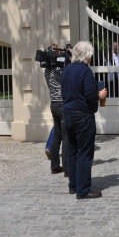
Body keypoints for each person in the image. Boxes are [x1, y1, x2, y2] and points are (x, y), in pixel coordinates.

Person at [62, 41, 107, 200]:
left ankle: (73, 185)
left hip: (68, 112)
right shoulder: (85, 71)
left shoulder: (67, 70)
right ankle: (83, 189)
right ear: (87, 55)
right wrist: (100, 95)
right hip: (82, 115)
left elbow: (63, 92)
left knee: (72, 151)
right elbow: (90, 94)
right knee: (85, 153)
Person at [44, 44, 66, 175]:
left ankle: (55, 166)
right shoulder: (58, 70)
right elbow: (65, 81)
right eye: (58, 52)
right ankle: (67, 167)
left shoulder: (47, 69)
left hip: (53, 103)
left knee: (57, 136)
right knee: (66, 136)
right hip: (62, 103)